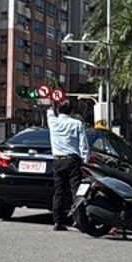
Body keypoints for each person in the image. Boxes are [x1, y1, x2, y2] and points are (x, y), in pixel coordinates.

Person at [47, 99, 89, 231]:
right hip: (72, 160)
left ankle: (58, 222)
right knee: (76, 191)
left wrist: (52, 99)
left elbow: (49, 111)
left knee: (59, 192)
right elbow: (83, 143)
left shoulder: (53, 122)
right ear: (72, 111)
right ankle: (78, 221)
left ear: (58, 110)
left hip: (58, 160)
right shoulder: (77, 124)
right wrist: (85, 159)